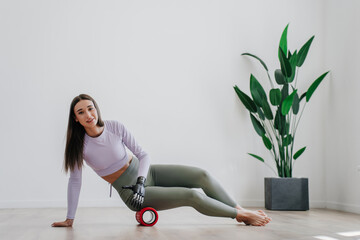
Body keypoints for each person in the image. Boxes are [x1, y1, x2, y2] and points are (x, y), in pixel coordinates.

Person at [52, 94, 271, 227]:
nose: (88, 114)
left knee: (201, 175)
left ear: (96, 108)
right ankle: (241, 214)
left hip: (146, 174)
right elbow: (75, 181)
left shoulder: (115, 127)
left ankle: (239, 210)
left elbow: (143, 154)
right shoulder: (79, 147)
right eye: (81, 112)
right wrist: (70, 218)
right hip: (131, 191)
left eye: (90, 108)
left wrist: (141, 179)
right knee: (192, 195)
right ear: (76, 118)